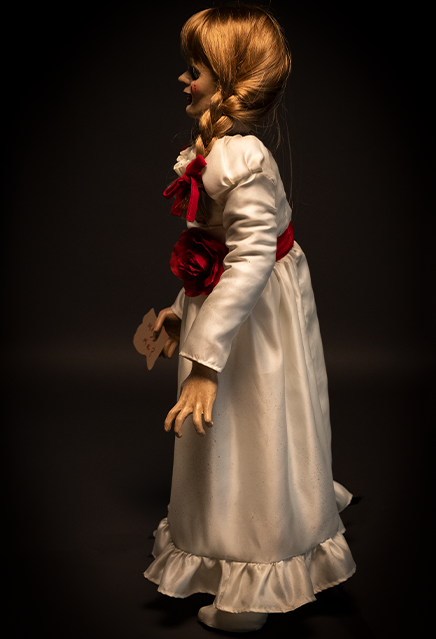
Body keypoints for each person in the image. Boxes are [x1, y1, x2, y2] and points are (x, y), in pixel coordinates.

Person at [144, 4, 356, 633]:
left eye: (196, 70)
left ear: (229, 81)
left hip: (254, 314)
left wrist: (205, 363)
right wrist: (180, 315)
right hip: (226, 303)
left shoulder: (244, 160)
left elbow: (252, 259)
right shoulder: (211, 151)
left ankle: (256, 574)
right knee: (233, 434)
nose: (184, 80)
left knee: (256, 422)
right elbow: (214, 254)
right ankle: (268, 514)